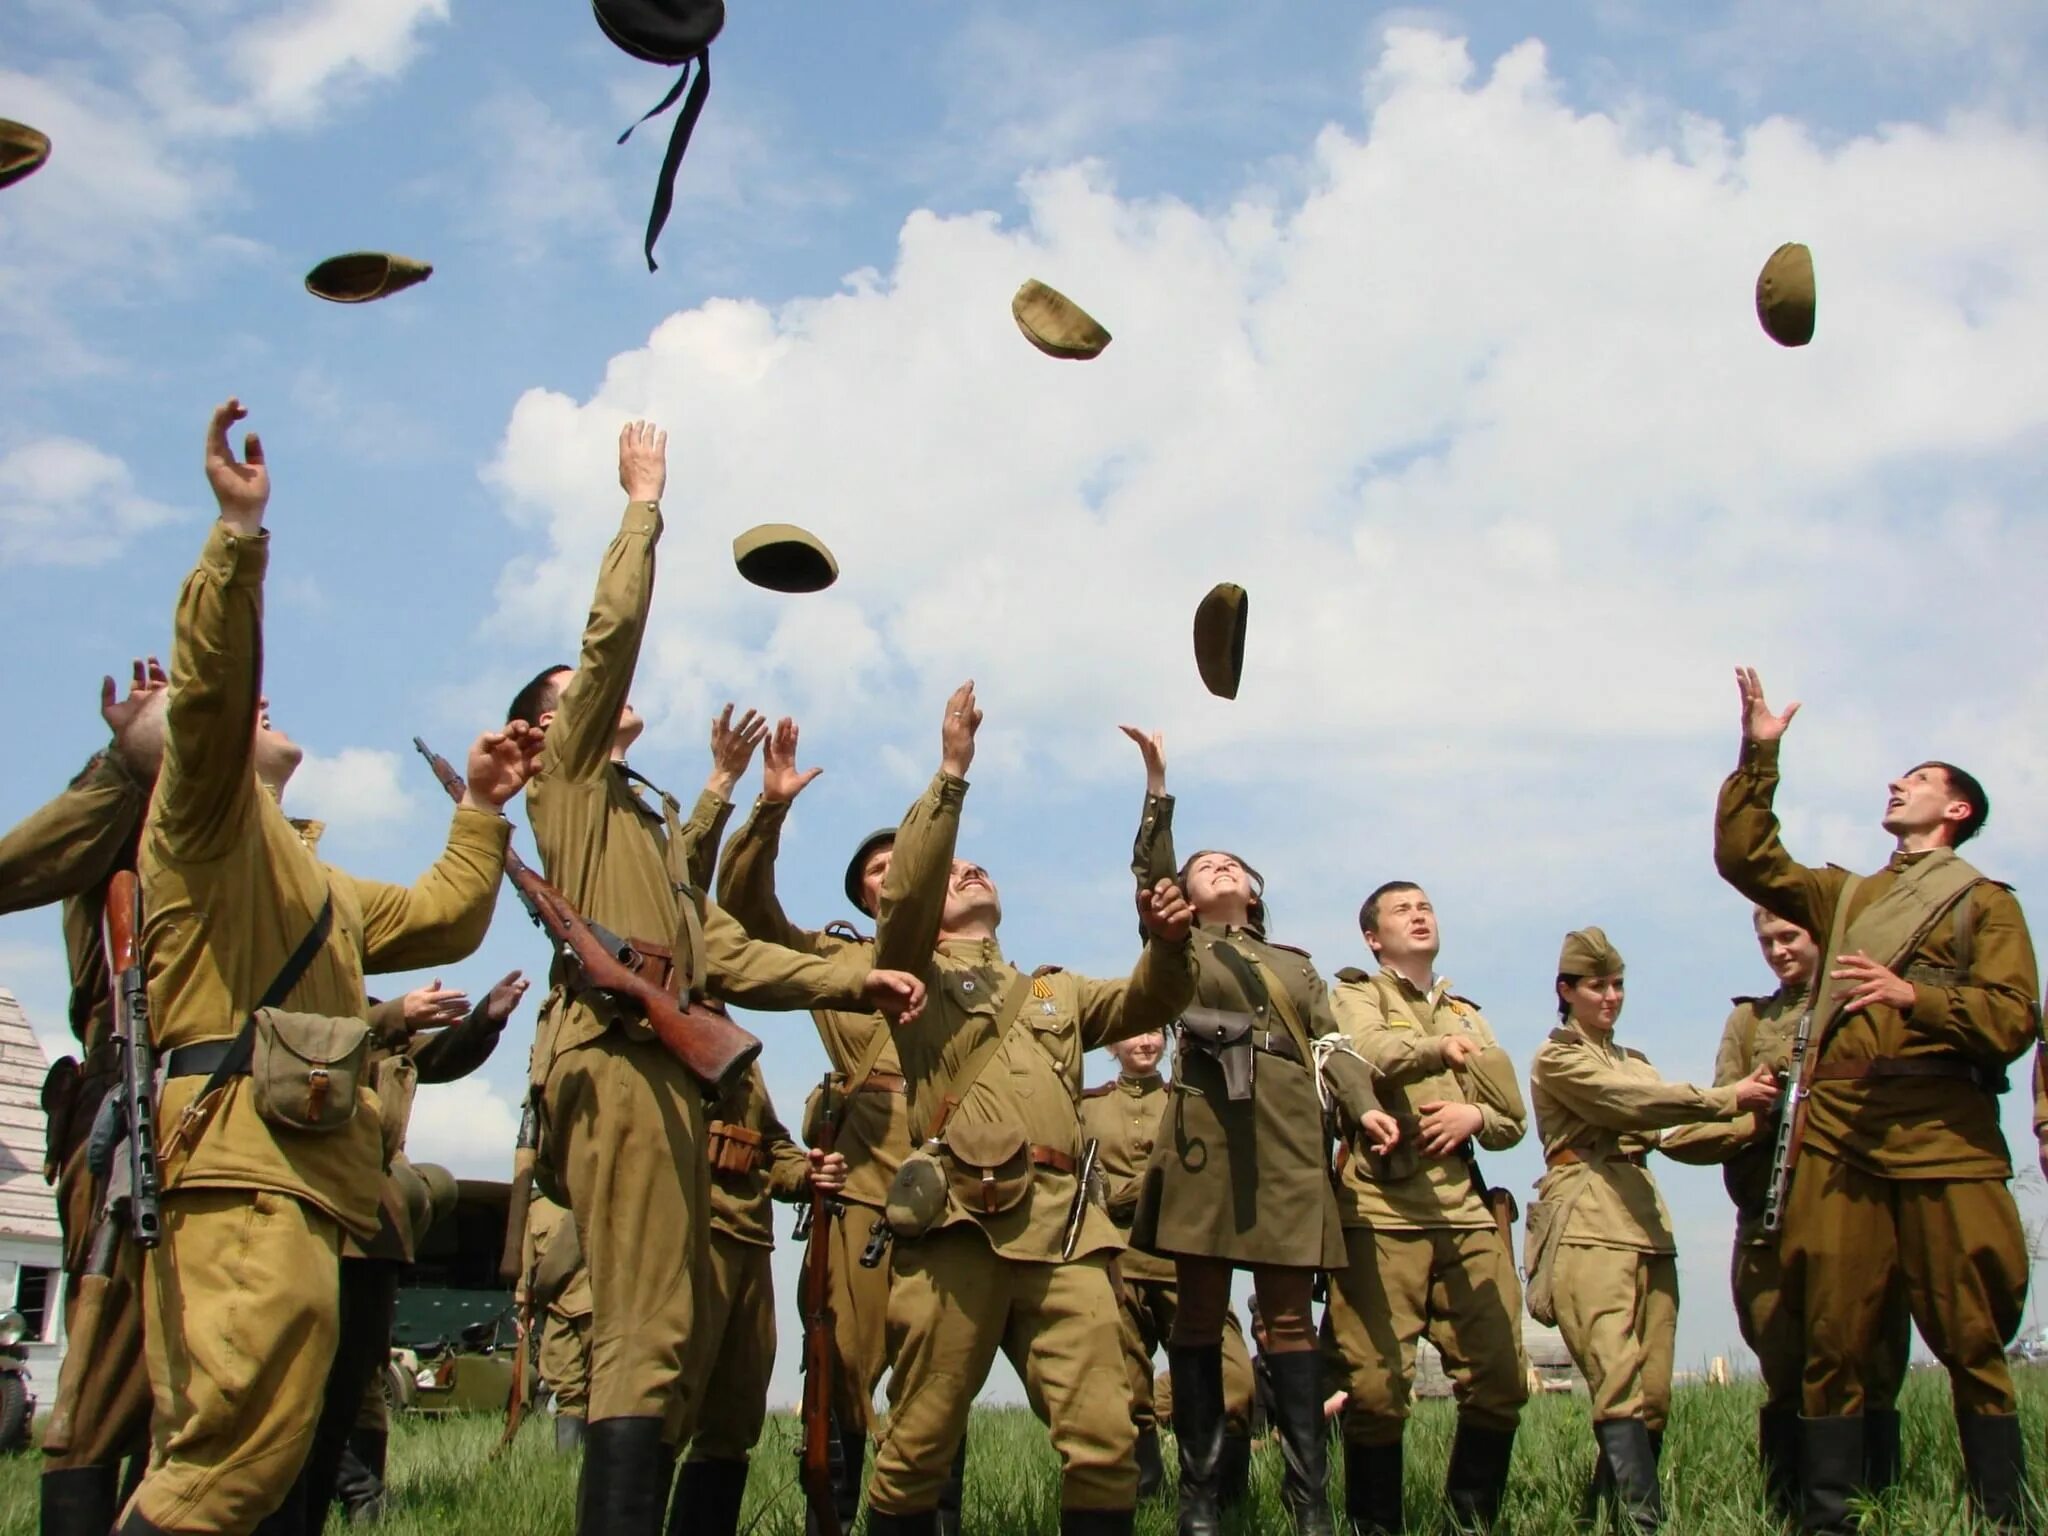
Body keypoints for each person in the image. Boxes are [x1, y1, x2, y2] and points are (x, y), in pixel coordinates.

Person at [119, 398, 537, 1536]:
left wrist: (482, 806)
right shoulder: (202, 823)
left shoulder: (306, 877)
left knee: (273, 1466)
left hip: (307, 1184)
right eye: (240, 708)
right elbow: (209, 692)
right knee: (223, 1466)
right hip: (242, 1173)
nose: (262, 704)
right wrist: (238, 538)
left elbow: (449, 917)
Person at [510, 420, 927, 1536]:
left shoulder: (635, 820)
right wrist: (642, 509)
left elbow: (721, 954)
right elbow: (605, 647)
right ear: (544, 728)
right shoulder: (571, 784)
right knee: (644, 1335)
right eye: (572, 698)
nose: (598, 698)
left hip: (669, 1066)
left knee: (699, 1349)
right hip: (618, 1051)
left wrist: (854, 985)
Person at [863, 682, 1198, 1536]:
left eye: (982, 865)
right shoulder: (908, 972)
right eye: (955, 870)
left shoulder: (1054, 990)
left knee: (1104, 1439)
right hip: (956, 1228)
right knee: (919, 1443)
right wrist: (951, 772)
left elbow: (1149, 1004)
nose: (971, 869)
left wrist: (1166, 941)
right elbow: (905, 894)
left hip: (1064, 1232)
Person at [1715, 668, 2040, 1532]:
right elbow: (1748, 859)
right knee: (1831, 1333)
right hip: (1840, 1136)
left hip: (1944, 1134)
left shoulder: (1986, 906)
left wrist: (1915, 999)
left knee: (1973, 1337)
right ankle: (1829, 1520)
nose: (1899, 786)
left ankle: (1999, 1516)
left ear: (1956, 810)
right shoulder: (1847, 896)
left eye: (1920, 780)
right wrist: (1760, 754)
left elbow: (2014, 1018)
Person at [713, 717, 974, 1535]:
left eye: (907, 860)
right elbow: (747, 914)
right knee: (844, 1373)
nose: (895, 873)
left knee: (942, 1373)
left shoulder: (978, 964)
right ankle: (834, 1515)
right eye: (879, 869)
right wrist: (767, 810)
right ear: (866, 895)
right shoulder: (841, 958)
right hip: (866, 1193)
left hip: (961, 1190)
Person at [1119, 725, 1351, 1536]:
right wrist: (1157, 791)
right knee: (1197, 1312)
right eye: (1201, 865)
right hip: (1209, 1126)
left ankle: (1308, 1504)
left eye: (1230, 865)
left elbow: (1333, 1044)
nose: (1217, 868)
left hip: (1288, 1133)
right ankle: (1201, 1498)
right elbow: (1153, 882)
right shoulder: (1180, 944)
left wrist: (1371, 1107)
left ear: (1253, 892)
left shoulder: (1296, 963)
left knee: (1290, 1317)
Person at [1659, 908, 1913, 1517]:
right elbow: (1725, 1112)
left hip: (1858, 1211)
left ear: (1821, 936)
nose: (1777, 951)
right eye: (1766, 941)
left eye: (1789, 937)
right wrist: (1761, 1107)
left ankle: (1876, 1508)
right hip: (1771, 1217)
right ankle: (1788, 1512)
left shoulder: (1863, 1004)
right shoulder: (1749, 1021)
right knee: (1784, 1363)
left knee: (1871, 1363)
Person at [1526, 927, 1778, 1534]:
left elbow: (1671, 1132)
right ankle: (1646, 1524)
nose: (1611, 997)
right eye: (1596, 986)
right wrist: (1726, 1096)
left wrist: (1755, 1120)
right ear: (1567, 990)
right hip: (1586, 1222)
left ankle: (1603, 1519)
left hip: (1646, 1226)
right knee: (1617, 1384)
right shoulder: (1558, 1057)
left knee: (1655, 1397)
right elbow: (1631, 1105)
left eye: (1617, 985)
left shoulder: (1634, 1061)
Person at [0, 662, 167, 1536]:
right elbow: (17, 866)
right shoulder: (119, 816)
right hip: (133, 1097)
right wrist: (125, 763)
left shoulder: (263, 838)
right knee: (106, 1380)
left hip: (237, 1121)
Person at [1327, 881, 1530, 1533]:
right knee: (1378, 1390)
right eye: (1400, 911)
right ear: (1372, 936)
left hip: (1466, 1210)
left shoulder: (1468, 1012)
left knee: (1501, 1380)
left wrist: (1476, 1114)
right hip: (1382, 1208)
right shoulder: (1356, 993)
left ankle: (1466, 1524)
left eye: (1425, 907)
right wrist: (1433, 1050)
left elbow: (1511, 1119)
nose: (1418, 916)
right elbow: (1369, 1053)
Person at [318, 970, 532, 1527]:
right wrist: (392, 1015)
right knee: (301, 1369)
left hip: (372, 1214)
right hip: (310, 1206)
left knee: (364, 1368)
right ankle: (353, 1489)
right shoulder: (306, 1004)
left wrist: (487, 1016)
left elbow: (438, 1056)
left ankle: (364, 1502)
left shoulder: (370, 1011)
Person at [1077, 1032, 1258, 1506]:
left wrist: (1126, 1192)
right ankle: (1143, 1498)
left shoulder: (1191, 1102)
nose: (1146, 1040)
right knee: (1125, 1393)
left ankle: (1226, 1502)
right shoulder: (1087, 1107)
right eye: (1132, 1032)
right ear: (1111, 1046)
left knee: (1234, 1381)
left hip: (1187, 1259)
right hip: (1117, 1263)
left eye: (1155, 1030)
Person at [673, 1060, 849, 1536]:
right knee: (662, 1414)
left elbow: (773, 1144)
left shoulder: (735, 1051)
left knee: (733, 1422)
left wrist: (807, 1172)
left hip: (750, 1241)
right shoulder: (651, 1035)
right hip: (687, 1237)